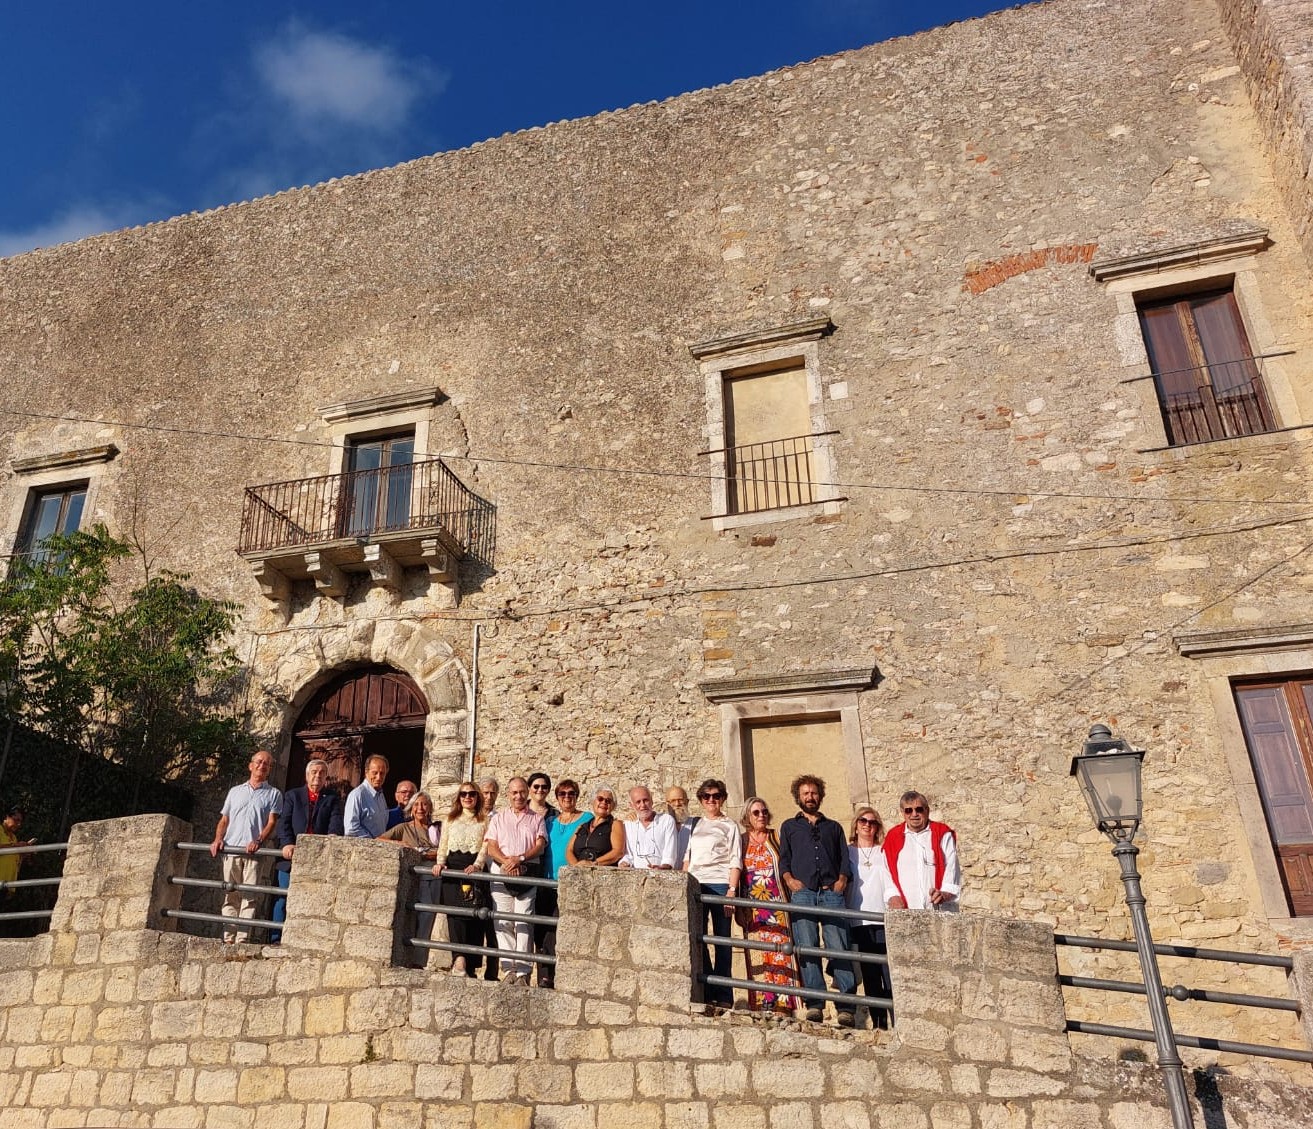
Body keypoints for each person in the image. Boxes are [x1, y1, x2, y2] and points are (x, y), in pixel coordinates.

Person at [778, 774, 856, 1027]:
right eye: (805, 793)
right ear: (798, 797)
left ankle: (846, 1007)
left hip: (831, 893)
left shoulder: (833, 827)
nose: (810, 797)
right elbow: (784, 859)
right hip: (803, 893)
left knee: (839, 948)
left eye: (813, 793)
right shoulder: (789, 827)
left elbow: (844, 859)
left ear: (820, 796)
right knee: (807, 948)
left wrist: (841, 881)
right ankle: (815, 1004)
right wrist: (790, 880)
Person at [209, 750, 283, 943]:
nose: (262, 765)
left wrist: (258, 840)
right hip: (231, 849)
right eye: (259, 761)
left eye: (266, 763)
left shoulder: (274, 794)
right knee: (230, 895)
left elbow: (272, 822)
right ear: (251, 765)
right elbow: (224, 819)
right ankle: (228, 938)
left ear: (269, 769)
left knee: (249, 898)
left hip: (253, 853)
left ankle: (242, 940)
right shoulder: (235, 791)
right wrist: (218, 839)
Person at [681, 778, 741, 1013]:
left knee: (722, 939)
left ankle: (724, 994)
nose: (711, 800)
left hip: (719, 884)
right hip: (696, 883)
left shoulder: (729, 825)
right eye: (706, 796)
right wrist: (684, 881)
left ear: (723, 798)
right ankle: (706, 990)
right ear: (701, 799)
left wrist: (732, 890)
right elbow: (688, 856)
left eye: (716, 796)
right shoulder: (695, 824)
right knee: (699, 939)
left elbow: (735, 858)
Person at [483, 777, 547, 985]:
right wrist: (506, 862)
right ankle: (509, 969)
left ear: (527, 793)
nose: (518, 796)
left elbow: (540, 845)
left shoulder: (537, 819)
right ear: (508, 795)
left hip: (526, 871)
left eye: (522, 792)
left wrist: (519, 859)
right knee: (502, 921)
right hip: (501, 872)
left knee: (523, 921)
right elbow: (491, 846)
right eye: (514, 792)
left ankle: (523, 972)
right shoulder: (498, 818)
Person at [271, 758, 345, 942]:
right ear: (307, 775)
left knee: (313, 899)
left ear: (326, 777)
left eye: (322, 773)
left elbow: (335, 821)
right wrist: (287, 843)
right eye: (314, 772)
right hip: (290, 857)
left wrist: (333, 836)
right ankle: (276, 938)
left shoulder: (332, 798)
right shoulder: (293, 796)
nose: (317, 776)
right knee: (283, 897)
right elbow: (284, 823)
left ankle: (305, 939)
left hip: (317, 858)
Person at [736, 797, 798, 1016]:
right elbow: (736, 871)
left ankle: (783, 1005)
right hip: (753, 907)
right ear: (747, 816)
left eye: (764, 811)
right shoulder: (741, 840)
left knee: (781, 952)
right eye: (756, 812)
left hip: (778, 905)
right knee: (758, 952)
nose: (761, 815)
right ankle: (763, 1004)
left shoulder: (776, 836)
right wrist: (738, 907)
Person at [432, 783, 489, 978]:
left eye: (472, 794)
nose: (467, 797)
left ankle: (470, 964)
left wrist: (478, 865)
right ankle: (458, 959)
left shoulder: (484, 820)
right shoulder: (450, 818)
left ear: (477, 797)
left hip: (470, 870)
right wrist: (440, 863)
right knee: (454, 915)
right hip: (453, 869)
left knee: (471, 914)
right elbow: (443, 843)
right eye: (463, 794)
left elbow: (486, 845)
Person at [538, 778, 588, 988]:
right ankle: (544, 977)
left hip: (568, 884)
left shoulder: (586, 818)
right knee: (542, 930)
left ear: (577, 796)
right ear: (557, 797)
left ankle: (560, 977)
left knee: (561, 930)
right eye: (562, 794)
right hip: (545, 882)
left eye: (571, 793)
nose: (567, 797)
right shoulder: (550, 822)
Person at [848, 805, 893, 1029]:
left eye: (873, 822)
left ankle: (897, 1023)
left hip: (882, 918)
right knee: (870, 975)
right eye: (863, 821)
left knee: (889, 973)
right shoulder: (847, 852)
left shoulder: (884, 851)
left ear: (878, 827)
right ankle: (879, 1025)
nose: (867, 825)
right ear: (856, 825)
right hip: (858, 919)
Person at [881, 790, 961, 912]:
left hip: (939, 910)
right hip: (906, 911)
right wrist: (892, 895)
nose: (914, 814)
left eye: (919, 809)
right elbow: (886, 871)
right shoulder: (893, 837)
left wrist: (945, 893)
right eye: (909, 810)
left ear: (927, 810)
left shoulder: (942, 834)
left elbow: (952, 867)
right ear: (902, 813)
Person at [382, 790, 441, 946]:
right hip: (412, 877)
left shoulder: (437, 829)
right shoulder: (403, 828)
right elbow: (379, 840)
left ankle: (420, 956)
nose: (420, 808)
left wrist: (431, 855)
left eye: (424, 804)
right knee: (413, 917)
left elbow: (445, 850)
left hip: (433, 877)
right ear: (411, 808)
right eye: (416, 805)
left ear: (430, 807)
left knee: (428, 917)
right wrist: (400, 844)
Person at [476, 776, 501, 978]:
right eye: (485, 792)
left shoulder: (500, 819)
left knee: (494, 923)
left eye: (493, 793)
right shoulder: (471, 817)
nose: (489, 797)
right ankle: (470, 966)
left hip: (493, 873)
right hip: (475, 872)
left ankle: (492, 972)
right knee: (473, 919)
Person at [566, 786, 626, 867]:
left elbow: (618, 852)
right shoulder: (582, 826)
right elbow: (569, 849)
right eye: (600, 799)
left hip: (601, 872)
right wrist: (576, 866)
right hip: (578, 871)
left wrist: (593, 863)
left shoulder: (615, 824)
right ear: (593, 801)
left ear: (613, 806)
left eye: (608, 801)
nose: (604, 802)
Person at [619, 786, 678, 869]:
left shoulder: (666, 821)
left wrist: (662, 867)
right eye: (638, 802)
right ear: (632, 805)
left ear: (652, 801)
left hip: (661, 874)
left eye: (645, 800)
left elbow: (670, 855)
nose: (643, 805)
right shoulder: (629, 825)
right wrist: (624, 862)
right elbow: (629, 855)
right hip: (635, 874)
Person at [345, 755, 390, 839]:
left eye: (382, 773)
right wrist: (374, 841)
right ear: (366, 772)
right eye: (375, 773)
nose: (378, 777)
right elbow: (351, 829)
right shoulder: (357, 795)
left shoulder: (381, 796)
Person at [0, 807, 35, 897]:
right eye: (16, 820)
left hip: (6, 886)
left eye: (20, 821)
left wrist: (23, 854)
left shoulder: (14, 837)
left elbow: (16, 862)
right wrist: (16, 846)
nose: (18, 824)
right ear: (7, 817)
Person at [666, 785, 694, 864]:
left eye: (680, 800)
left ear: (687, 802)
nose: (677, 804)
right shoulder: (662, 826)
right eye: (673, 801)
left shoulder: (696, 825)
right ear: (667, 804)